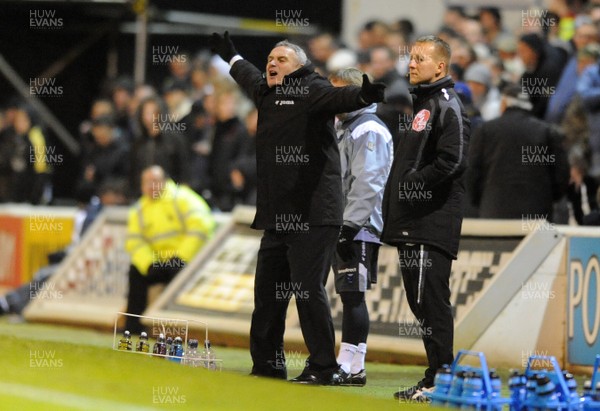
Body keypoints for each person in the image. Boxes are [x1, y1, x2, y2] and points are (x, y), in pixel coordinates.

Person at [209, 31, 385, 385]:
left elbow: (340, 97)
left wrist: (364, 94)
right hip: (277, 217)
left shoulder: (312, 88)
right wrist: (231, 57)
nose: (272, 63)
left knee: (307, 292)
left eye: (281, 59)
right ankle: (269, 365)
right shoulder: (266, 90)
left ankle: (323, 367)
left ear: (300, 67)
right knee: (267, 296)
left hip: (314, 215)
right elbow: (247, 74)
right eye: (270, 59)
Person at [380, 35, 470, 401]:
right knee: (421, 304)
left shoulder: (446, 104)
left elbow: (454, 159)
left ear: (441, 66)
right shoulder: (424, 104)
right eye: (411, 57)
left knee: (430, 302)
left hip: (430, 221)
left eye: (420, 58)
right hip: (412, 223)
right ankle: (436, 376)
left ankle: (442, 380)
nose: (411, 63)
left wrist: (411, 186)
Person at [328, 68, 393, 386]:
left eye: (338, 92)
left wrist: (350, 224)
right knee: (349, 293)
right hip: (348, 222)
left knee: (354, 294)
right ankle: (355, 366)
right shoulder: (346, 125)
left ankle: (348, 362)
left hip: (359, 224)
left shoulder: (368, 128)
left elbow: (369, 181)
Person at [124, 165, 215, 333]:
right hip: (158, 263)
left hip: (188, 261)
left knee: (178, 273)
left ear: (165, 182)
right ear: (141, 186)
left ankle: (177, 330)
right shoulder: (138, 210)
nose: (152, 186)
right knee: (136, 272)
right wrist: (149, 264)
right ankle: (133, 328)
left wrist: (179, 258)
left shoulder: (183, 199)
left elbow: (200, 229)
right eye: (147, 182)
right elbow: (134, 242)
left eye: (155, 181)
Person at [468, 84, 569, 220]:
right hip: (537, 215)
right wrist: (550, 197)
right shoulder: (546, 132)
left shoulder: (485, 131)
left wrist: (479, 200)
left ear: (503, 103)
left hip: (494, 212)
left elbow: (472, 172)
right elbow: (561, 174)